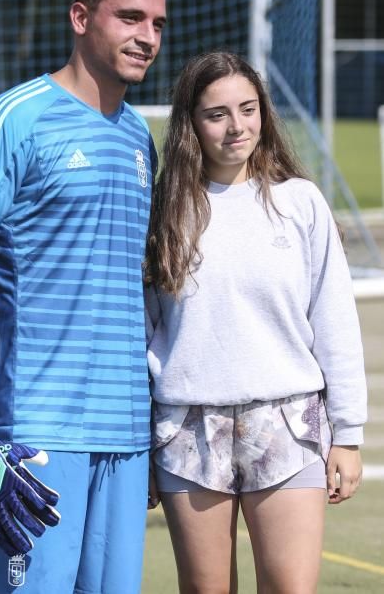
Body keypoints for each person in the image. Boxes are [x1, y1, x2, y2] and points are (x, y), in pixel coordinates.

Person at [0, 0, 166, 594]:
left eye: (157, 24)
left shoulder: (139, 138)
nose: (147, 37)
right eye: (130, 18)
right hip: (34, 429)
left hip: (123, 432)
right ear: (81, 17)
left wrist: (149, 421)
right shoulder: (14, 119)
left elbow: (135, 284)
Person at [144, 51, 367, 593]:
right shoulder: (166, 210)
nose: (236, 126)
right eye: (216, 113)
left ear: (263, 112)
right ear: (190, 122)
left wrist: (349, 435)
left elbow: (335, 320)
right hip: (188, 427)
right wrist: (141, 442)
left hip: (288, 424)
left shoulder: (301, 203)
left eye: (247, 109)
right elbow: (145, 332)